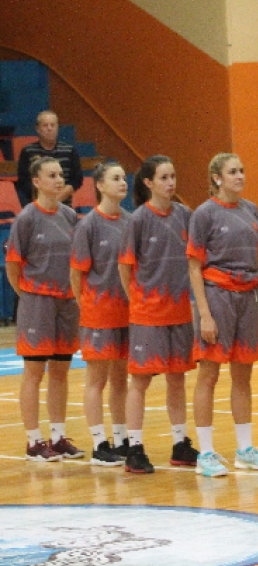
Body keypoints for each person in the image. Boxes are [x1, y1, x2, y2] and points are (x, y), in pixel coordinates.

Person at [189, 153, 258, 477]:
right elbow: (194, 267)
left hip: (247, 297)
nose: (240, 176)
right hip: (217, 295)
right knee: (209, 375)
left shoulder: (251, 210)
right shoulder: (204, 214)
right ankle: (206, 452)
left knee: (243, 375)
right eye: (233, 172)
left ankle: (245, 449)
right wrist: (205, 314)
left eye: (242, 170)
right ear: (217, 178)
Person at [118, 155, 198, 474]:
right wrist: (138, 301)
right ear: (149, 183)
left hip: (179, 312)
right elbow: (125, 268)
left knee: (177, 379)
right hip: (148, 314)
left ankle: (180, 444)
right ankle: (134, 448)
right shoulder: (138, 220)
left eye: (173, 176)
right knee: (140, 381)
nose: (171, 183)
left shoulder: (185, 215)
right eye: (164, 177)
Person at [6, 156, 81, 461]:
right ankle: (33, 441)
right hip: (37, 301)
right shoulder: (27, 218)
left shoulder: (69, 216)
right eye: (52, 175)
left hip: (67, 301)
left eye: (60, 174)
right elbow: (13, 265)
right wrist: (28, 295)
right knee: (34, 372)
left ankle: (58, 437)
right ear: (36, 182)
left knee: (61, 371)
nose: (59, 180)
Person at [70, 161, 131, 466]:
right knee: (97, 379)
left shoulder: (130, 221)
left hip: (126, 312)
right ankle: (98, 444)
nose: (123, 182)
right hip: (98, 312)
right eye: (115, 178)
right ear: (100, 185)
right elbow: (76, 273)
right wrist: (87, 306)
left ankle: (121, 439)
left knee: (121, 378)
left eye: (124, 178)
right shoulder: (88, 225)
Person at [16, 110, 83, 207]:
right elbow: (23, 180)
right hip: (37, 204)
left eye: (53, 125)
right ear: (38, 129)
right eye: (45, 125)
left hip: (64, 205)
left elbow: (77, 180)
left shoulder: (70, 151)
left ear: (57, 128)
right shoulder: (28, 151)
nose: (49, 128)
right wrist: (43, 199)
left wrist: (57, 198)